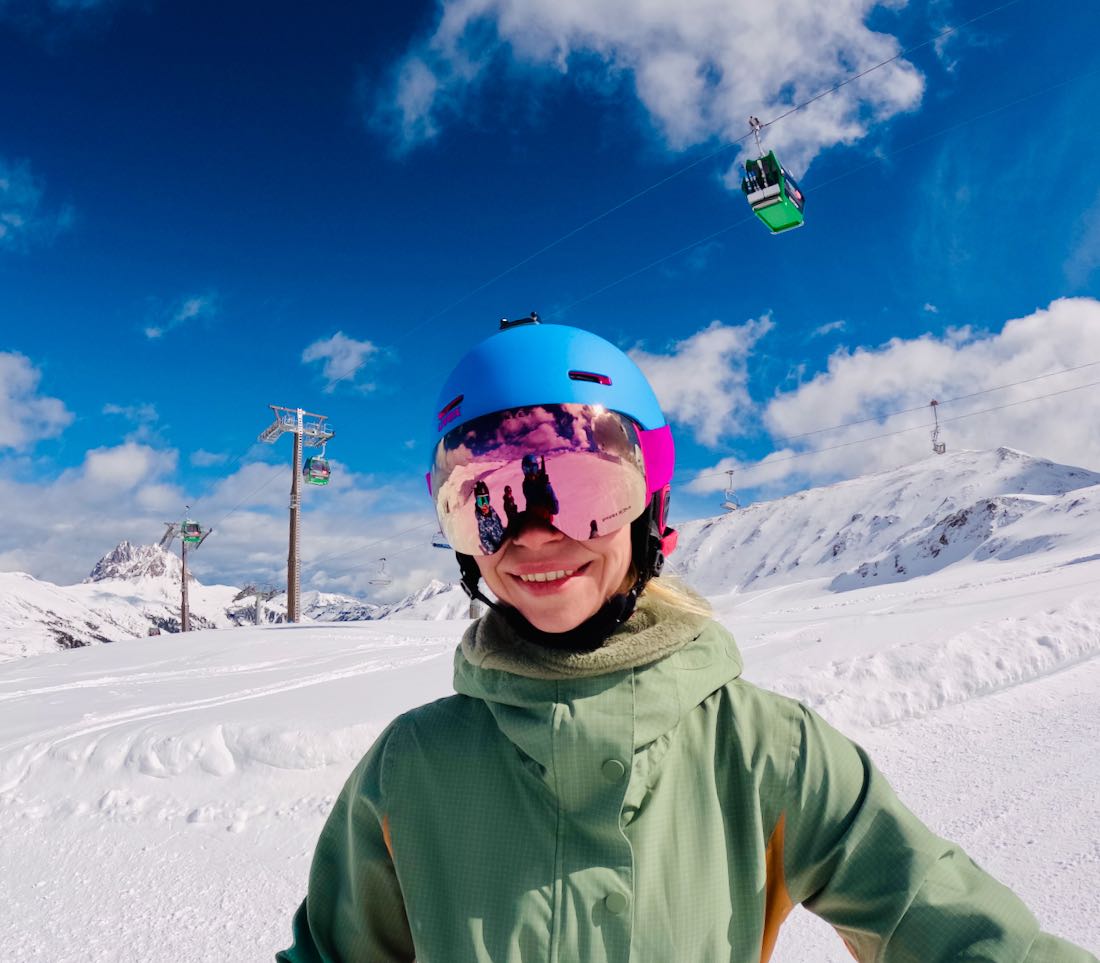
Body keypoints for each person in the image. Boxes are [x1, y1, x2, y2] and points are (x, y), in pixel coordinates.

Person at [277, 318, 1096, 963]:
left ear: (652, 506)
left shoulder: (766, 750)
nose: (532, 533)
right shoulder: (410, 769)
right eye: (485, 501)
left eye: (579, 487)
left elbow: (941, 917)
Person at [472, 479, 505, 555]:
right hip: (499, 550)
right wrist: (495, 550)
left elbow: (500, 525)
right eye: (481, 501)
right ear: (477, 502)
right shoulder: (481, 521)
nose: (484, 505)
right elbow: (484, 539)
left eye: (486, 500)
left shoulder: (492, 512)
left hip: (505, 543)